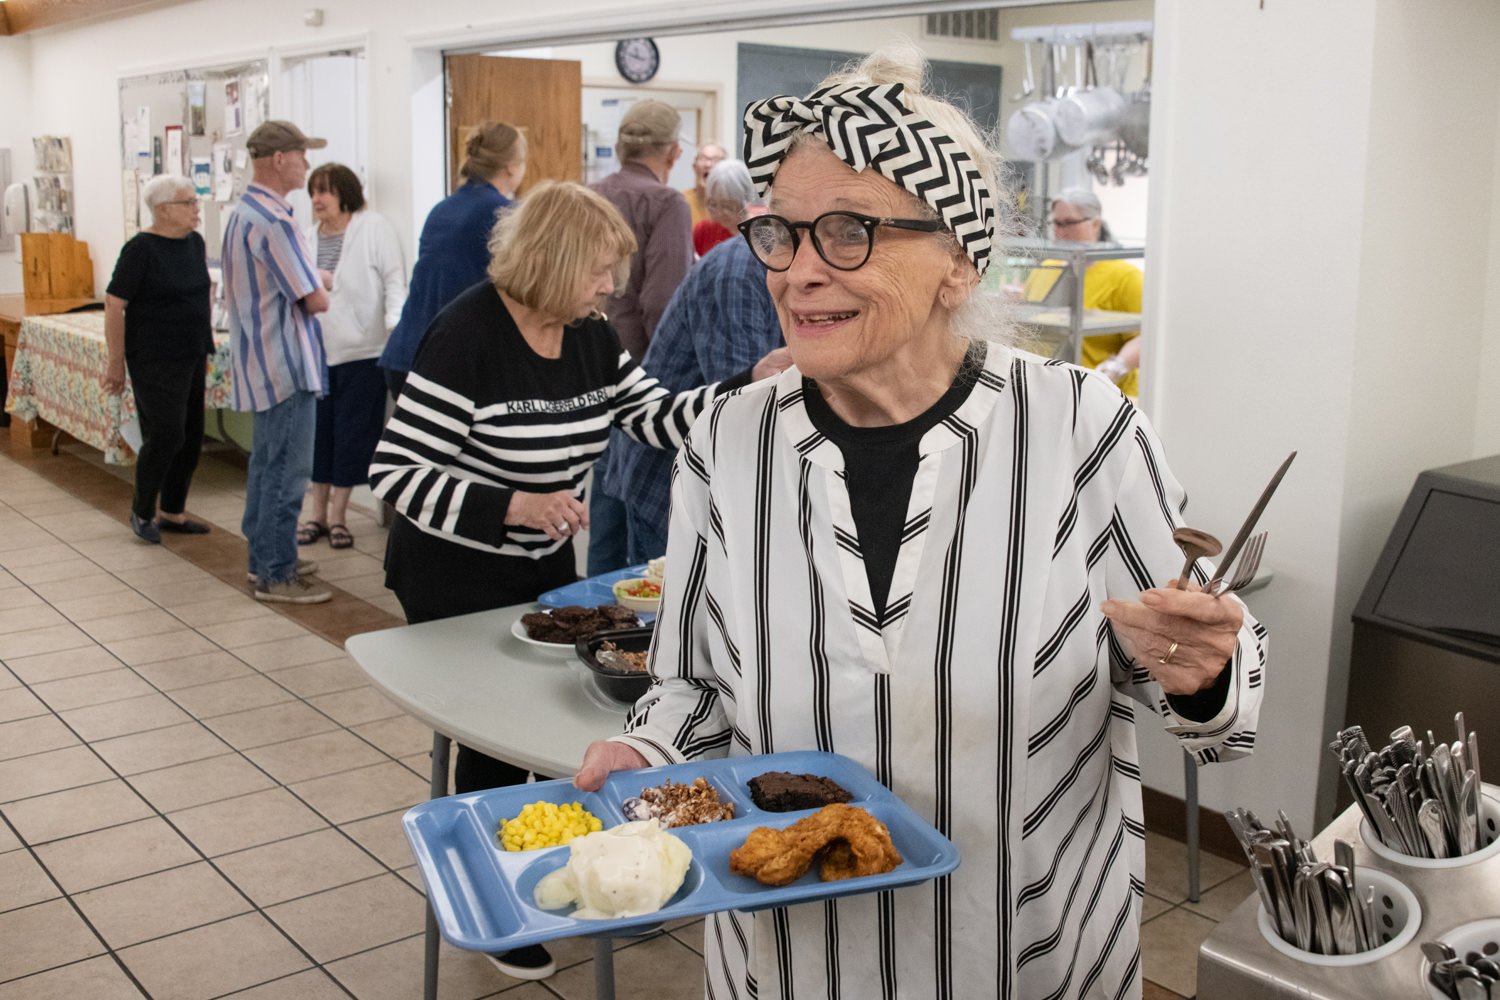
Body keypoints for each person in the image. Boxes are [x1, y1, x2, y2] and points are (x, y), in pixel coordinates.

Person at [575, 44, 1267, 999]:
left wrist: (1205, 674)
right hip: (791, 956)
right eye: (782, 234)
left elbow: (1212, 713)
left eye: (849, 233)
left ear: (956, 262)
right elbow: (694, 682)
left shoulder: (1077, 429)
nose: (798, 273)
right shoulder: (728, 440)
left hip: (1024, 947)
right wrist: (645, 751)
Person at [366, 179, 788, 982]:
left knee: (541, 738)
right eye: (600, 269)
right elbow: (396, 472)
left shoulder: (589, 335)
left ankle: (559, 873)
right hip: (452, 569)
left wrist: (752, 384)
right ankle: (497, 907)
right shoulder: (467, 335)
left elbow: (657, 417)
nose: (612, 287)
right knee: (492, 746)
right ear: (556, 261)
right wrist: (514, 501)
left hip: (538, 567)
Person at [598, 194, 781, 565]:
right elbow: (742, 408)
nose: (606, 288)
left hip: (711, 481)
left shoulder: (777, 269)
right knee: (665, 614)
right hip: (671, 480)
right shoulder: (738, 273)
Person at [222, 120, 332, 604]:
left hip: (260, 364)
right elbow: (314, 300)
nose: (307, 165)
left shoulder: (242, 212)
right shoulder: (276, 221)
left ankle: (264, 555)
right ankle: (276, 572)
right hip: (287, 367)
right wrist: (324, 279)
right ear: (281, 158)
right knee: (288, 474)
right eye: (303, 155)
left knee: (266, 468)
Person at [587, 100, 695, 573]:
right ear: (673, 153)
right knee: (634, 499)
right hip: (639, 370)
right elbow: (662, 301)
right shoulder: (666, 202)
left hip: (590, 361)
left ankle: (590, 610)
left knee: (604, 500)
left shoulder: (590, 195)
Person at [297, 163, 406, 551]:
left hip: (363, 352)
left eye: (324, 191)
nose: (317, 200)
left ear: (345, 192)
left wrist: (395, 329)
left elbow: (395, 281)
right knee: (318, 435)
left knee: (351, 436)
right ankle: (316, 514)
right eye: (312, 192)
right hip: (317, 353)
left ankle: (340, 517)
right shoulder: (306, 236)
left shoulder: (373, 227)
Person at [102, 174, 214, 544]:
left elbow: (199, 294)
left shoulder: (194, 243)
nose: (197, 208)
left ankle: (172, 511)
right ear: (164, 210)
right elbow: (115, 304)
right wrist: (115, 361)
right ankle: (142, 508)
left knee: (192, 434)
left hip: (192, 350)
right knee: (167, 431)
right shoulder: (141, 249)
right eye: (189, 202)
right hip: (153, 356)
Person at [378, 121, 526, 398]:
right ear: (511, 166)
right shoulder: (504, 214)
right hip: (447, 366)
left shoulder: (443, 208)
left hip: (406, 355)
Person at [1036, 187, 1144, 396]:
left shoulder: (1126, 276)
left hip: (1103, 395)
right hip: (1048, 390)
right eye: (1056, 223)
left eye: (1069, 223)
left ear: (1095, 224)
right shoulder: (1048, 267)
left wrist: (1114, 368)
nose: (1060, 231)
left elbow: (1145, 337)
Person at [691, 157, 757, 257]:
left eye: (727, 206)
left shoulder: (759, 231)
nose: (719, 212)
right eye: (712, 204)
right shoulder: (703, 231)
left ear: (746, 200)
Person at [682, 140, 727, 226]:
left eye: (715, 160)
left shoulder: (735, 205)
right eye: (703, 159)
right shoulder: (681, 201)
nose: (708, 164)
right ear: (694, 167)